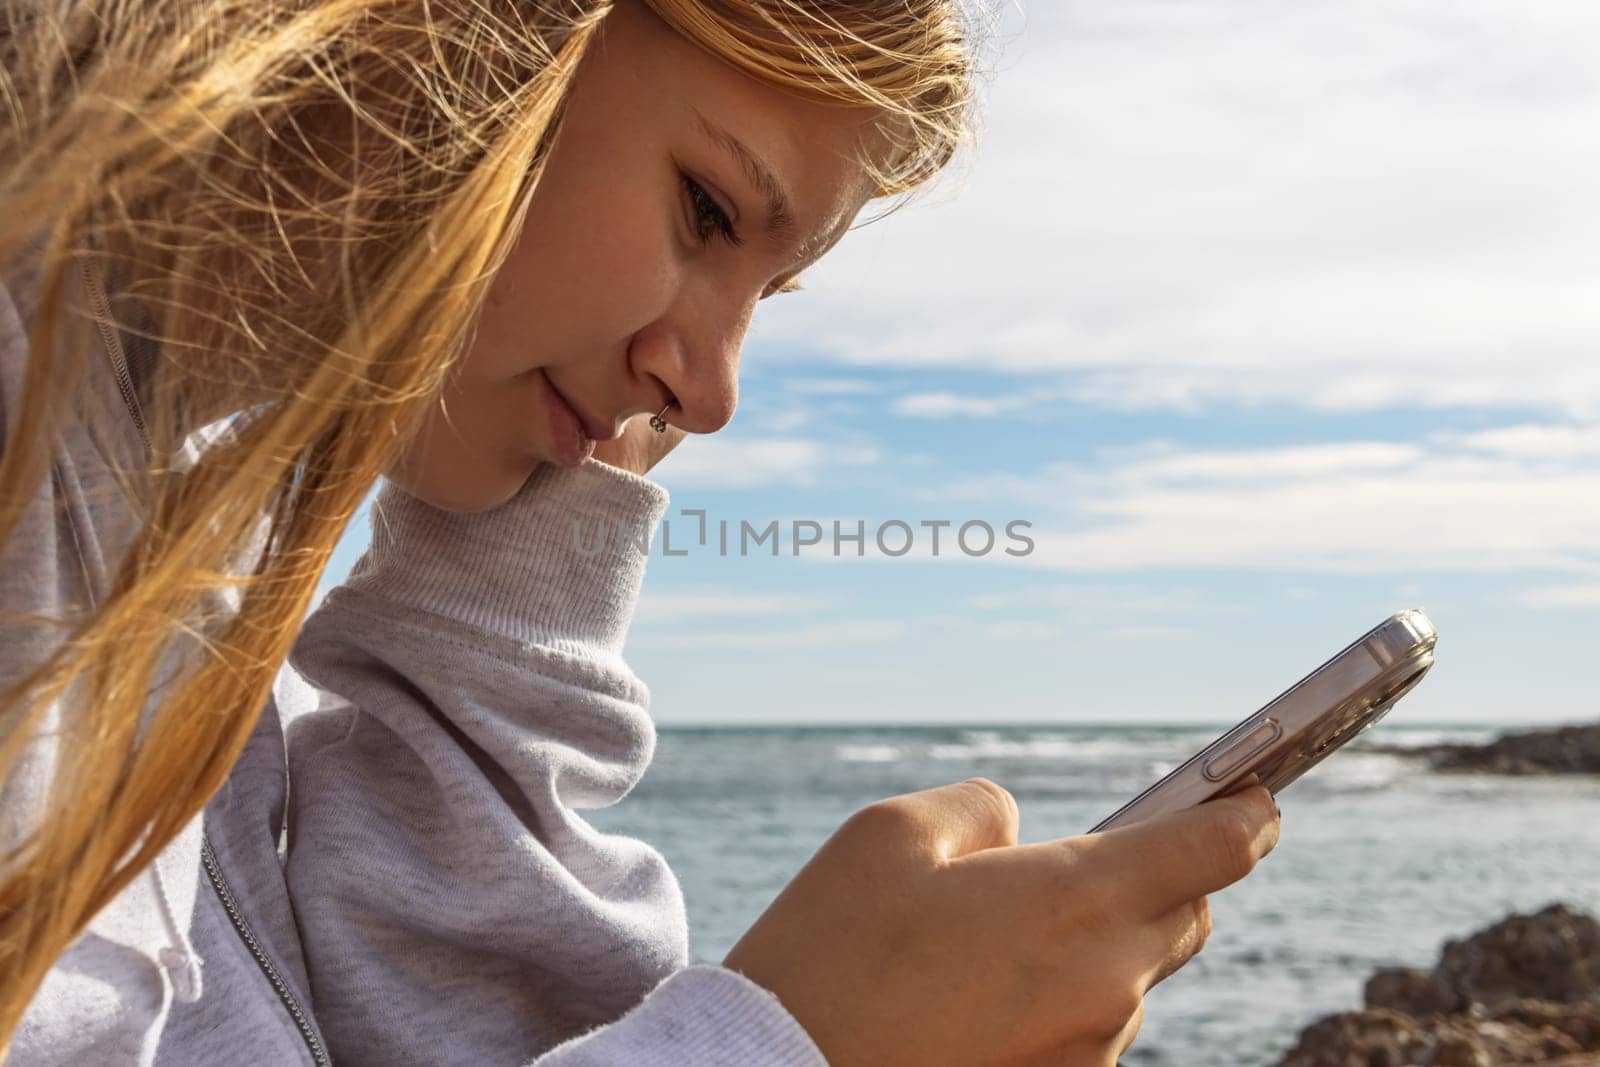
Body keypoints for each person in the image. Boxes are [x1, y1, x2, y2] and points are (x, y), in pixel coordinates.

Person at [0, 0, 1281, 1063]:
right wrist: (801, 1043)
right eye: (708, 213)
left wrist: (513, 570)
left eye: (763, 292)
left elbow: (425, 1029)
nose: (715, 392)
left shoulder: (145, 534)